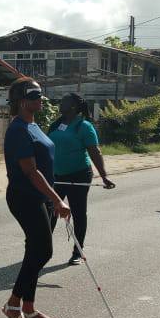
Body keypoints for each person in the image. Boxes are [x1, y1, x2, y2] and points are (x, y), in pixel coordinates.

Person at [1, 77, 70, 318]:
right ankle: (13, 303)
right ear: (21, 101)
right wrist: (57, 200)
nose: (40, 99)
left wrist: (53, 197)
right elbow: (31, 172)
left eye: (41, 94)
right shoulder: (18, 129)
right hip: (25, 197)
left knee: (35, 251)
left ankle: (28, 308)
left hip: (41, 197)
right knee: (43, 251)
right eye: (34, 95)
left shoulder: (34, 125)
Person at [48, 93, 116, 265]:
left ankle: (77, 251)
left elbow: (94, 152)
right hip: (57, 175)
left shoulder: (84, 126)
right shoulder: (56, 124)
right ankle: (42, 248)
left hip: (79, 175)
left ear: (73, 107)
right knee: (51, 211)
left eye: (64, 101)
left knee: (78, 213)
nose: (60, 103)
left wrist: (104, 176)